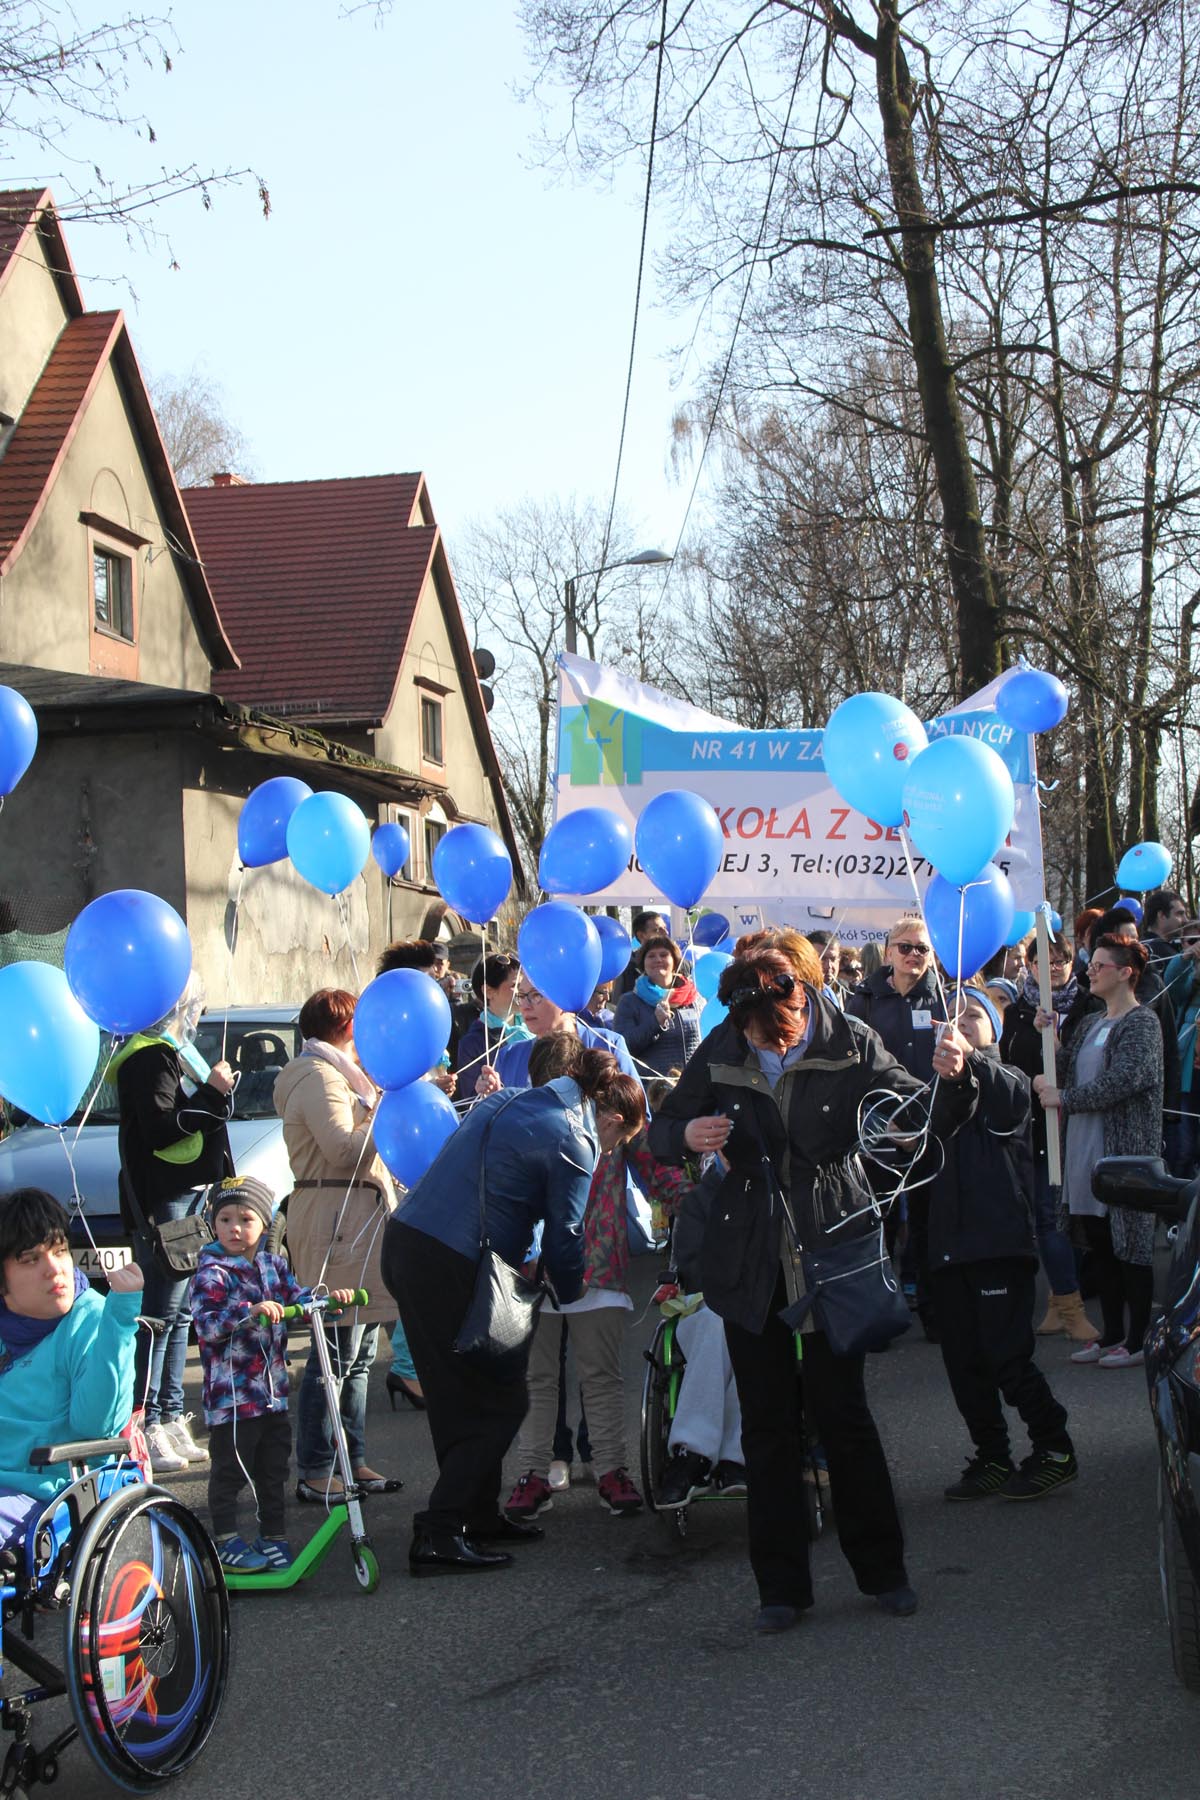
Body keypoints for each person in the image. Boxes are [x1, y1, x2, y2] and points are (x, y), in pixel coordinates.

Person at [649, 937, 975, 1633]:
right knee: (766, 1427)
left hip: (832, 1242)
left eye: (775, 1030)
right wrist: (688, 1134)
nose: (763, 1042)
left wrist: (954, 1080)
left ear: (803, 996)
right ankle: (781, 1589)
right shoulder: (723, 1042)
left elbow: (916, 1121)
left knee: (843, 1416)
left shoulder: (851, 1040)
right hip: (748, 1254)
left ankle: (884, 1572)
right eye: (751, 1031)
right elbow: (662, 1128)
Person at [381, 1041, 644, 1575]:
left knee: (459, 1395)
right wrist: (571, 1294)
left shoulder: (510, 1100)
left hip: (408, 1242)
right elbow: (566, 1239)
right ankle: (439, 1529)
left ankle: (474, 1517)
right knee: (499, 1401)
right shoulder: (575, 1138)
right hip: (450, 1260)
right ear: (611, 1119)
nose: (609, 1152)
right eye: (617, 1143)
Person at [505, 1044, 693, 1523]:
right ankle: (533, 1474)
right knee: (537, 1378)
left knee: (601, 1376)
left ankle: (611, 1470)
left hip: (599, 1261)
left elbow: (657, 1170)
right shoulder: (530, 1115)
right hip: (538, 1266)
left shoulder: (615, 1110)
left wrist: (699, 1204)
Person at [928, 990, 1077, 1501]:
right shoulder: (935, 1085)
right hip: (948, 1247)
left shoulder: (1007, 1077)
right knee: (964, 1364)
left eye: (973, 1015)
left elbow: (1003, 1100)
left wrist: (967, 1064)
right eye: (954, 1016)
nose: (962, 1023)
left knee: (1007, 1358)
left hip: (998, 1244)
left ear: (994, 1026)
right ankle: (992, 1455)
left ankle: (1055, 1448)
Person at [189, 1174, 357, 1572]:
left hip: (271, 1395)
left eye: (245, 1219)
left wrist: (328, 1301)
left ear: (264, 1225)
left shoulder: (272, 1265)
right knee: (231, 1470)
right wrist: (248, 1312)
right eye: (225, 1219)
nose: (234, 1228)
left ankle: (274, 1535)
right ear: (214, 1224)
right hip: (233, 1400)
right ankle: (225, 1539)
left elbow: (299, 1298)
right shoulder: (212, 1273)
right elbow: (207, 1325)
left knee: (273, 1469)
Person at [273, 989, 401, 1502]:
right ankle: (316, 1468)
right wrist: (382, 1111)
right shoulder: (319, 1077)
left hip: (353, 1218)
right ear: (347, 1028)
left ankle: (354, 1459)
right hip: (335, 1222)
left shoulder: (340, 1075)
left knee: (360, 1352)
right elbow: (343, 1151)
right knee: (334, 1354)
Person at [112, 974, 234, 1475]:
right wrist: (212, 1092)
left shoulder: (173, 1051)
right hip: (165, 1194)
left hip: (188, 1190)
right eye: (191, 1004)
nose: (196, 1013)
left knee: (180, 1314)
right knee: (159, 1314)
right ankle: (144, 1424)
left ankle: (168, 1413)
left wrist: (213, 1094)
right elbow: (163, 1127)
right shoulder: (149, 1057)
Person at [1034, 935, 1164, 1369]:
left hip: (1123, 1154)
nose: (1090, 971)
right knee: (1101, 1246)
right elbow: (1067, 1068)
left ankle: (1138, 1338)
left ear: (1126, 973)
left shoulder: (1142, 1023)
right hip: (1084, 1149)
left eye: (1099, 965)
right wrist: (1050, 1039)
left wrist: (1064, 1098)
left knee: (1131, 1248)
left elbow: (1124, 1080)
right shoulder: (1091, 1022)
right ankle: (1110, 1334)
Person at [0, 1188, 144, 1550]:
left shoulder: (91, 1317)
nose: (54, 1269)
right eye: (31, 1259)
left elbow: (96, 1425)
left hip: (51, 1495)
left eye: (60, 1250)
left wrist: (120, 1321)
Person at [846, 914, 948, 1335]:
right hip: (878, 1129)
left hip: (928, 1127)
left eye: (922, 948)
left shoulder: (944, 1000)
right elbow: (851, 1065)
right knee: (879, 1224)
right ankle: (880, 1314)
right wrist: (882, 1123)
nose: (913, 955)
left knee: (928, 1224)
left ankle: (933, 1311)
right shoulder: (863, 1000)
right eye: (905, 947)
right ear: (889, 953)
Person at [999, 930, 1099, 1341]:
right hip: (1039, 1130)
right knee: (1048, 1215)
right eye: (1046, 961)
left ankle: (1069, 1295)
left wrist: (1057, 1038)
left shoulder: (1090, 1006)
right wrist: (1033, 1048)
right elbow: (1008, 1062)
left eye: (1062, 960)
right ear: (1030, 965)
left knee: (1081, 1217)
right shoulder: (1018, 1011)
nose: (1054, 968)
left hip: (1081, 1126)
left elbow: (1086, 1066)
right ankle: (1069, 1304)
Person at [611, 935, 702, 1078]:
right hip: (652, 1086)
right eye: (651, 956)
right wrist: (655, 1023)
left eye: (664, 955)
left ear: (675, 962)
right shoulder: (629, 1002)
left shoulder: (695, 998)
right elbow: (622, 1047)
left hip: (692, 1084)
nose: (658, 960)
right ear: (643, 964)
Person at [454, 952, 525, 1089]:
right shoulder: (473, 1043)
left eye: (522, 985)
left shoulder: (535, 1024)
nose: (521, 991)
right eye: (514, 985)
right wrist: (492, 1091)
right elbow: (471, 1097)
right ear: (489, 991)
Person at [1163, 921, 1200, 1177]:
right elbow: (1172, 987)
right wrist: (1185, 958)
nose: (1197, 946)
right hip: (1189, 1070)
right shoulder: (1187, 973)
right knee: (1185, 1147)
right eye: (1191, 941)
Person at [613, 911, 670, 999]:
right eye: (657, 930)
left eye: (665, 928)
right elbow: (618, 1002)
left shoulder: (676, 963)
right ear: (641, 936)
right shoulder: (626, 967)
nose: (666, 933)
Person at [1142, 889, 1188, 968]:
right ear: (1161, 915)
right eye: (1179, 914)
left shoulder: (1141, 946)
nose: (1186, 920)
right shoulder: (1160, 954)